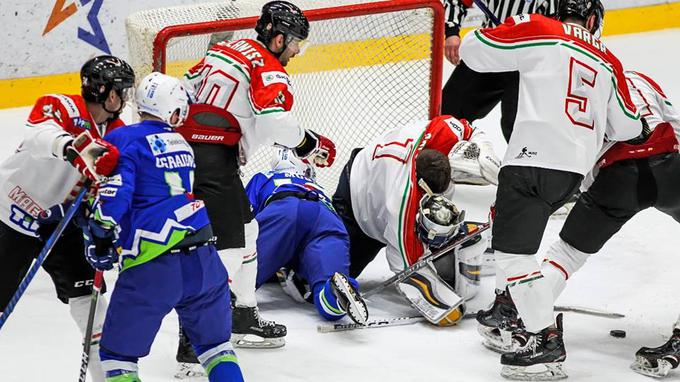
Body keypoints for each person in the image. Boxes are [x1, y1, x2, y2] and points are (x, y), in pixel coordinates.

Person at [458, 0, 642, 378]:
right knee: (520, 255)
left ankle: (543, 340)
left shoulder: (541, 28)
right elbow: (628, 127)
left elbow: (473, 51)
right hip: (572, 173)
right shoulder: (608, 57)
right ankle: (519, 318)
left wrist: (507, 29)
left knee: (513, 257)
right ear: (593, 20)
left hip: (529, 161)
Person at [177, 0, 336, 353]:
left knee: (247, 232)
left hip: (188, 154)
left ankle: (243, 314)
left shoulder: (225, 49)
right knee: (228, 248)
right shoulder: (268, 66)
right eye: (295, 42)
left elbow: (184, 88)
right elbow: (272, 121)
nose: (296, 50)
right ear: (277, 38)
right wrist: (308, 143)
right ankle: (192, 336)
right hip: (214, 160)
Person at [82, 72, 244, 382]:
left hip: (153, 264)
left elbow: (116, 196)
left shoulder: (123, 138)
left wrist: (100, 235)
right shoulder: (182, 142)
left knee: (118, 358)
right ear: (172, 109)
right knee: (216, 348)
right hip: (205, 261)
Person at [534, 71, 678, 378]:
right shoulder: (640, 79)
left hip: (617, 177)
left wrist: (589, 196)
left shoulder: (576, 94)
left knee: (567, 253)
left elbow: (576, 152)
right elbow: (675, 122)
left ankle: (530, 328)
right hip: (670, 167)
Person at [0, 55, 134, 381]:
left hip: (61, 224)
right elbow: (38, 136)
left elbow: (111, 184)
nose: (126, 98)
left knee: (91, 306)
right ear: (110, 94)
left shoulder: (117, 133)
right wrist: (75, 148)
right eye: (122, 91)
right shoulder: (60, 105)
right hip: (11, 216)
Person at [332, 115, 499, 326]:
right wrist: (444, 307)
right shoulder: (401, 204)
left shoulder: (444, 133)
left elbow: (469, 129)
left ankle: (446, 244)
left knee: (434, 223)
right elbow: (409, 270)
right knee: (336, 272)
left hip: (378, 169)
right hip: (356, 201)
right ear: (420, 187)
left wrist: (485, 150)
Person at [246, 148, 368, 324]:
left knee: (241, 279)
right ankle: (332, 292)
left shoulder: (264, 176)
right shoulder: (317, 186)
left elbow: (242, 216)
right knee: (327, 288)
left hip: (285, 210)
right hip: (327, 219)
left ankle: (227, 298)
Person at [442, 0, 559, 142]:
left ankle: (522, 163)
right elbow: (456, 2)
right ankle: (440, 160)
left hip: (526, 64)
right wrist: (452, 32)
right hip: (489, 49)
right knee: (448, 112)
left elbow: (558, 30)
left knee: (518, 128)